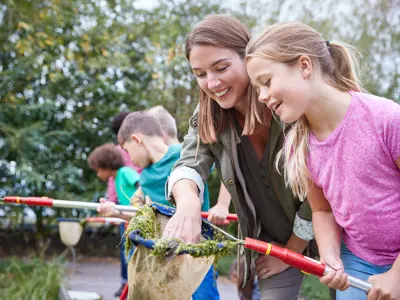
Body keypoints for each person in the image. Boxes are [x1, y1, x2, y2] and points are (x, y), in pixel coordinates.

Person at [162, 15, 319, 300]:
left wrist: (292, 252)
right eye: (199, 73)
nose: (211, 83)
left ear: (248, 58)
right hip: (271, 244)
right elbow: (188, 163)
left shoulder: (288, 104)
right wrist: (187, 201)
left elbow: (321, 184)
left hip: (330, 233)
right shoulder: (209, 115)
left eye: (221, 68)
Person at [245, 21, 400, 300]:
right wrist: (330, 258)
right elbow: (323, 210)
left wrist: (397, 274)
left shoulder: (386, 119)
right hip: (358, 261)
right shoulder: (299, 146)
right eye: (257, 88)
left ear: (304, 66)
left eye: (266, 82)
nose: (262, 97)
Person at [99, 111, 220, 300]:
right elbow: (149, 216)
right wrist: (116, 212)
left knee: (204, 296)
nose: (129, 159)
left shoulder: (184, 154)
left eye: (127, 150)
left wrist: (222, 204)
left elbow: (228, 166)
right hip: (166, 252)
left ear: (137, 140)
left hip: (197, 247)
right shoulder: (145, 177)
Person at [88, 143, 141, 296]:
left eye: (98, 170)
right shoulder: (116, 179)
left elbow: (141, 185)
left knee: (134, 259)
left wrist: (136, 203)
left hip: (139, 220)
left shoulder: (124, 172)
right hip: (130, 222)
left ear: (106, 165)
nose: (98, 175)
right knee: (129, 258)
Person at [107, 112, 142, 297]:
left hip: (137, 204)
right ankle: (126, 281)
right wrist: (112, 203)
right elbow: (113, 180)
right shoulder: (119, 151)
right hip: (124, 206)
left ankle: (134, 282)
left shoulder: (139, 145)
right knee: (126, 246)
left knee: (135, 246)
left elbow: (140, 179)